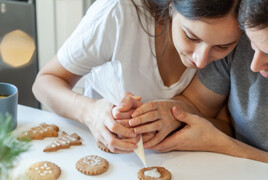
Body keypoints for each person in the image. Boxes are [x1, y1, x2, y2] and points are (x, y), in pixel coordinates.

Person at [125, 0, 268, 169]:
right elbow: (197, 104)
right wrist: (167, 113)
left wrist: (223, 145)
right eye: (252, 45)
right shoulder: (245, 29)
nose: (254, 66)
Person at [32, 0, 241, 153]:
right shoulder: (118, 13)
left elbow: (223, 126)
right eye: (191, 36)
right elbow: (44, 83)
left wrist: (176, 118)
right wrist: (90, 112)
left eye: (223, 46)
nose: (201, 60)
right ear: (171, 5)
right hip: (103, 156)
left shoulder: (243, 48)